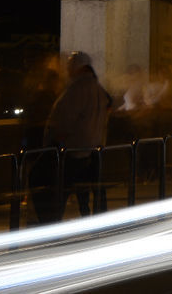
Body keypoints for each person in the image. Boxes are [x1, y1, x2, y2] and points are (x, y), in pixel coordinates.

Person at [43, 52, 112, 220]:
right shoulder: (97, 88)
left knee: (60, 191)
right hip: (94, 148)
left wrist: (56, 140)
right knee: (92, 191)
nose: (66, 70)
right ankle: (97, 222)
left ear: (77, 67)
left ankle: (51, 224)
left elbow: (64, 120)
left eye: (69, 66)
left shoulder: (77, 89)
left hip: (75, 150)